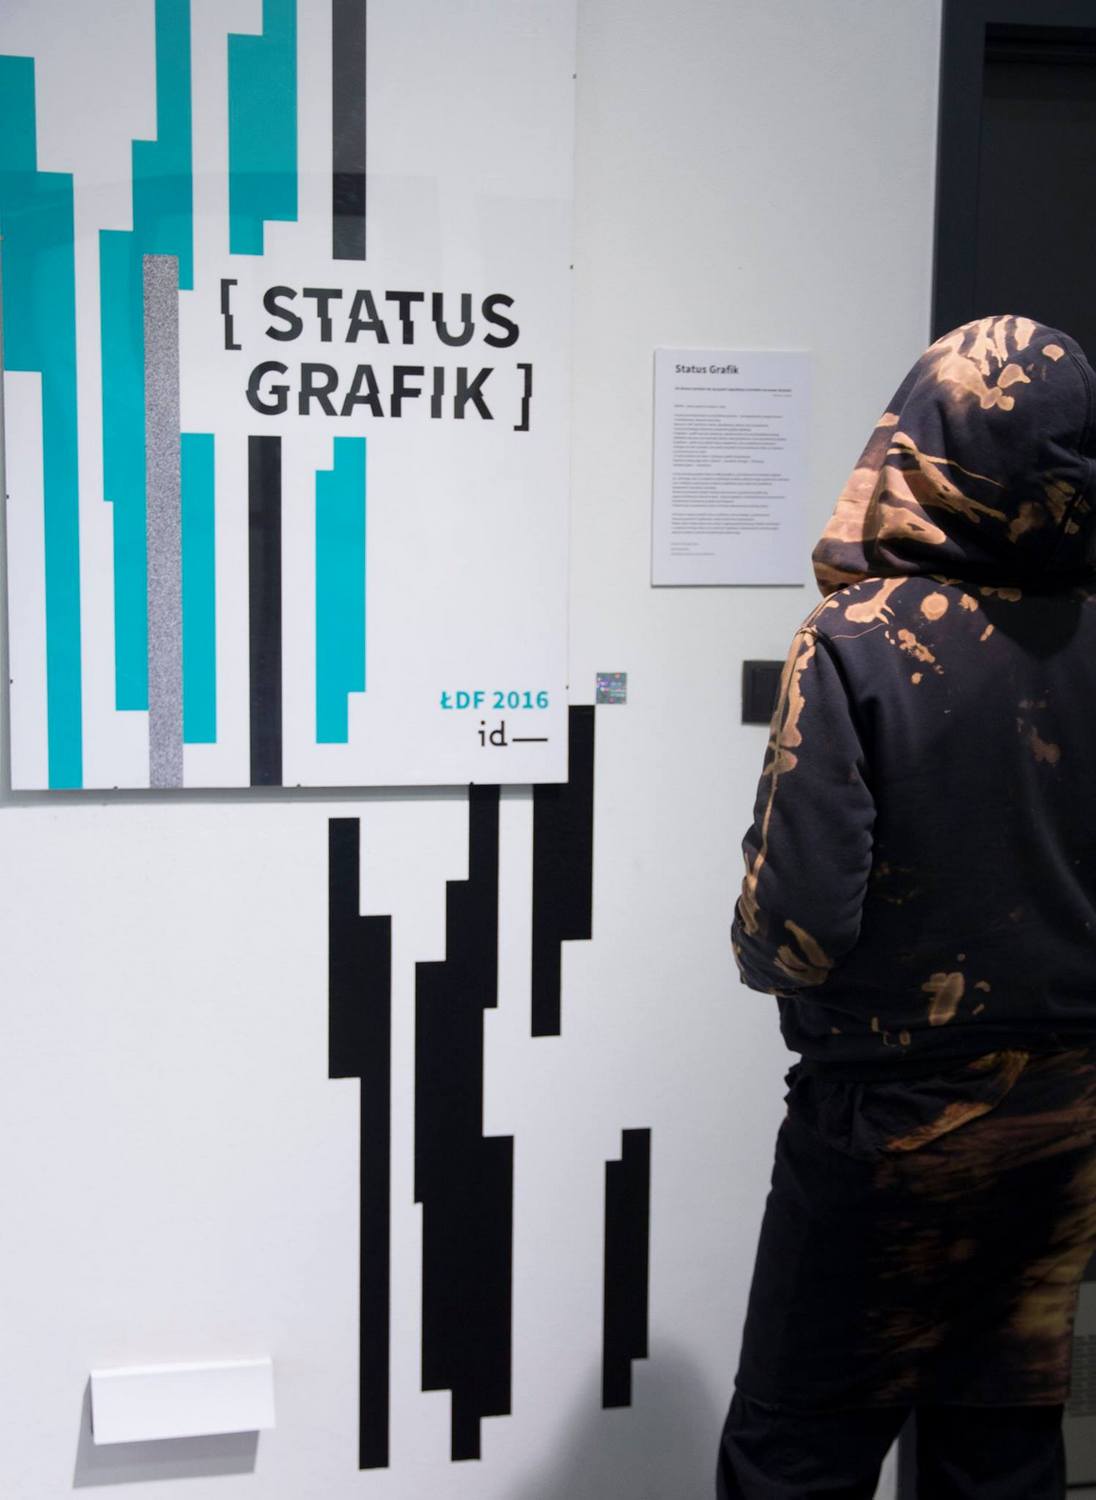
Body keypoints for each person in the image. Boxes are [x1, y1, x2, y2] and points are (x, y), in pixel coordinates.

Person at [717, 314, 1096, 1500]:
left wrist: (755, 951)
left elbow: (796, 926)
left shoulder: (858, 640)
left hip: (888, 1122)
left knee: (794, 1456)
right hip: (1066, 1116)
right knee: (1001, 1452)